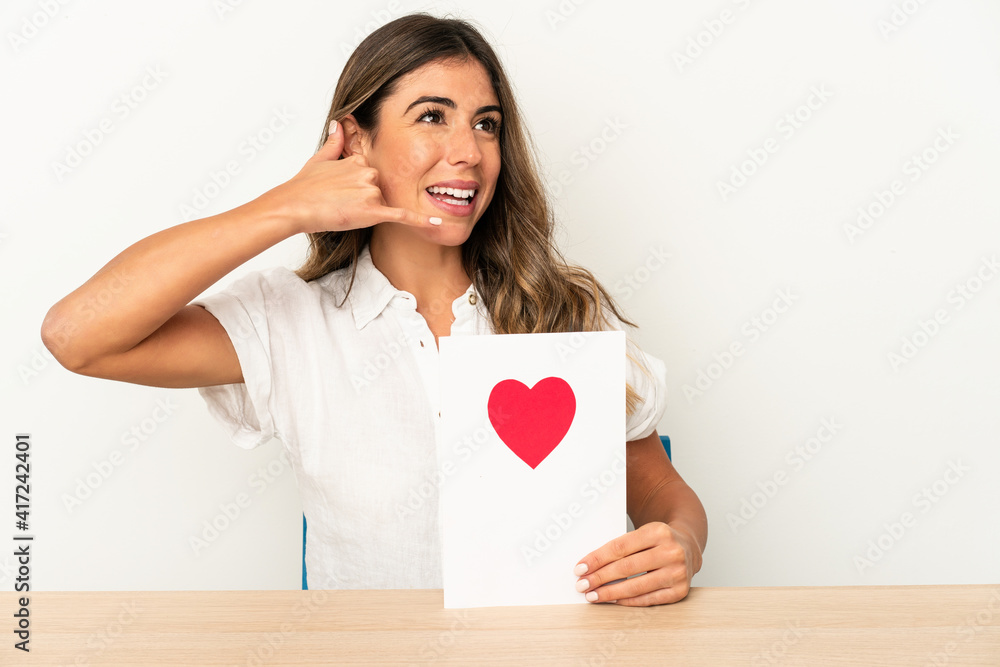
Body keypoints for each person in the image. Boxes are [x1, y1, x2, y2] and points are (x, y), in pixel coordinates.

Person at [41, 13, 707, 606]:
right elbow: (78, 335)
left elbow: (663, 496)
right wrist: (287, 205)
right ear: (356, 141)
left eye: (486, 124)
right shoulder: (289, 322)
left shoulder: (563, 312)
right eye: (431, 116)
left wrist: (679, 543)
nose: (468, 151)